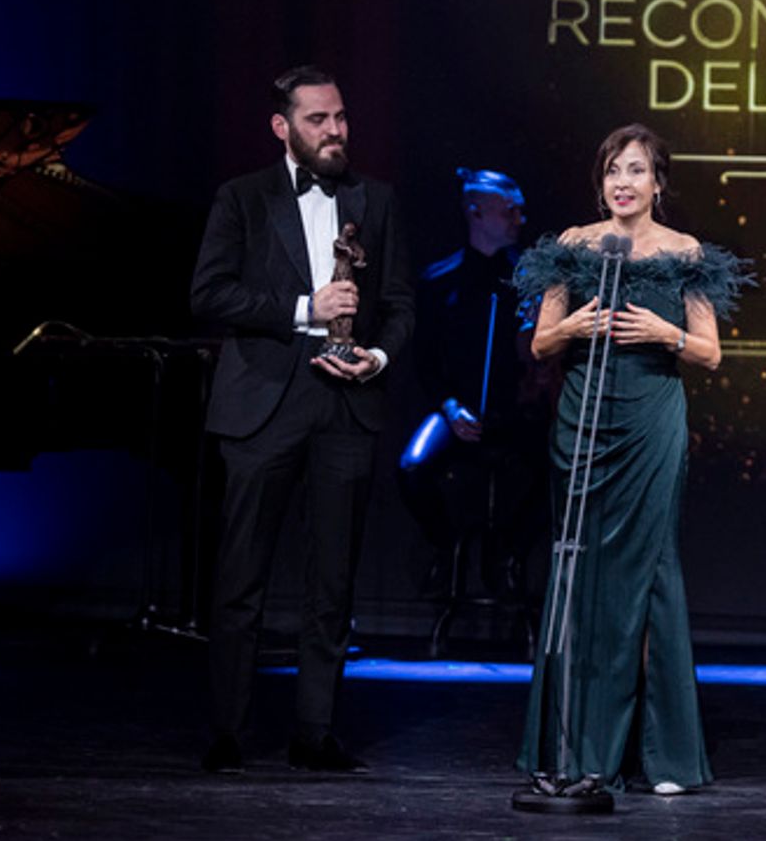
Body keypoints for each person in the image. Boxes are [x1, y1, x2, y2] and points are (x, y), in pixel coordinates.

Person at [512, 124, 751, 796]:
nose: (624, 182)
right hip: (583, 421)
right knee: (579, 571)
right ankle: (572, 746)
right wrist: (574, 326)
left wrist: (663, 330)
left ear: (659, 183)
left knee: (649, 572)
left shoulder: (686, 253)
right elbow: (539, 344)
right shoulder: (574, 245)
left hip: (651, 419)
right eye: (613, 170)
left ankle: (667, 754)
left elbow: (710, 351)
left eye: (637, 170)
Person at [191, 65, 414, 773]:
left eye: (341, 116)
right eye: (318, 119)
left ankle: (314, 730)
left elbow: (404, 304)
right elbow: (209, 293)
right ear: (282, 127)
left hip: (345, 403)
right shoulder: (243, 198)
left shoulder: (375, 200)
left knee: (332, 581)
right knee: (241, 576)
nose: (335, 130)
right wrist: (300, 311)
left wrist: (375, 356)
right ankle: (229, 726)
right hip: (264, 402)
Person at [400, 168, 551, 606]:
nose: (519, 220)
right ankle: (445, 547)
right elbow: (425, 361)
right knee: (411, 467)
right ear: (475, 212)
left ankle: (508, 552)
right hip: (457, 411)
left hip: (517, 412)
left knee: (564, 474)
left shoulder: (530, 276)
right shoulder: (438, 279)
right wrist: (449, 407)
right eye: (509, 211)